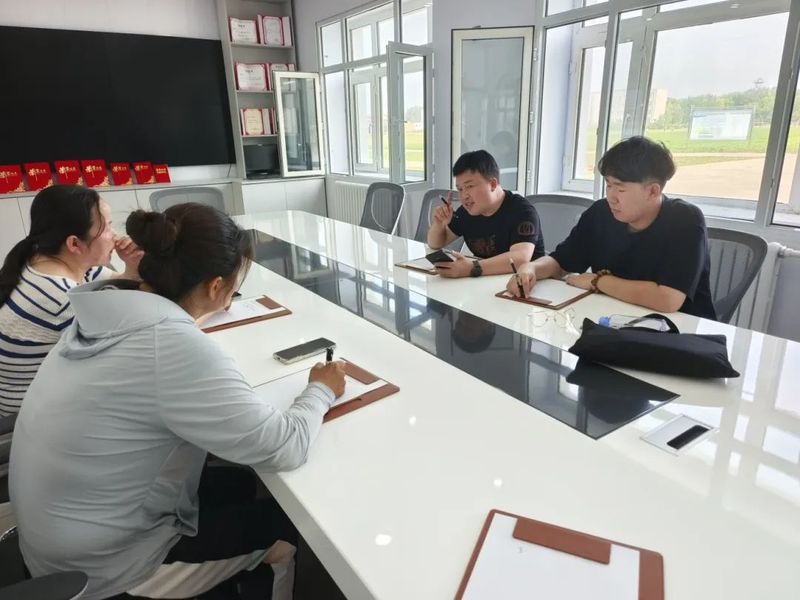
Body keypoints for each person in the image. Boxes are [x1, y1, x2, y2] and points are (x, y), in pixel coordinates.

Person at [10, 203, 347, 600]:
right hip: (107, 570)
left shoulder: (107, 308)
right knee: (282, 528)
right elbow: (285, 446)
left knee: (240, 482)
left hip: (56, 542)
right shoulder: (171, 345)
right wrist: (321, 388)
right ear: (215, 287)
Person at [505, 136, 716, 319]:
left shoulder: (685, 220)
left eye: (620, 189)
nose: (611, 197)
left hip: (679, 331)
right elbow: (561, 262)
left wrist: (599, 282)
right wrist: (530, 269)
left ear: (653, 191)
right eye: (608, 185)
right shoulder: (600, 213)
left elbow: (667, 300)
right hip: (613, 320)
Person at [0, 184, 142, 415]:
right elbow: (129, 352)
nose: (115, 236)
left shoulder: (42, 258)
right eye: (107, 227)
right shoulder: (63, 301)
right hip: (25, 412)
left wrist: (131, 268)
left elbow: (116, 282)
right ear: (74, 243)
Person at [427, 149, 544, 279]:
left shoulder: (522, 211)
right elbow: (436, 243)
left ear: (492, 184)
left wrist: (472, 268)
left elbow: (520, 259)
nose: (464, 195)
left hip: (526, 283)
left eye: (470, 186)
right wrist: (439, 225)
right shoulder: (467, 211)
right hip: (486, 281)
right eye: (460, 189)